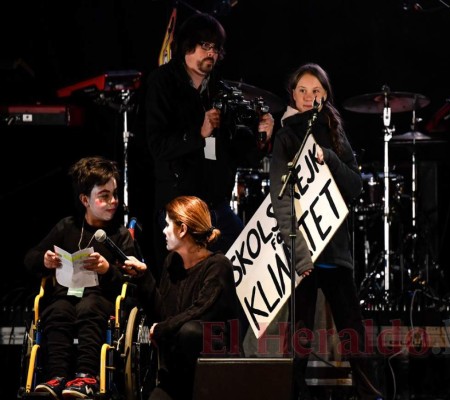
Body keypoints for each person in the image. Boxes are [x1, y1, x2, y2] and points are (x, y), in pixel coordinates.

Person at [269, 63, 384, 400]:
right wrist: (299, 254)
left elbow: (355, 186)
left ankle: (369, 392)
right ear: (292, 94)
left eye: (315, 90)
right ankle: (295, 393)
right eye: (302, 90)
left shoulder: (334, 130)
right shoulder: (286, 136)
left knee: (353, 331)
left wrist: (331, 158)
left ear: (325, 94)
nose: (308, 97)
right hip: (306, 251)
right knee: (300, 334)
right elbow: (281, 200)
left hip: (336, 249)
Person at [143, 12, 275, 278]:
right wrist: (198, 133)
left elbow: (237, 152)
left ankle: (233, 321)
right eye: (205, 46)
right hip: (178, 205)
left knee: (247, 262)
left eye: (216, 48)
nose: (212, 54)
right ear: (188, 45)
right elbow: (157, 146)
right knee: (182, 280)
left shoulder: (220, 90)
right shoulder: (162, 82)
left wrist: (263, 139)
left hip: (215, 203)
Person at [23, 156, 137, 399]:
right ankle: (56, 377)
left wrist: (108, 270)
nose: (113, 202)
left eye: (115, 194)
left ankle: (86, 376)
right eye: (104, 196)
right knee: (57, 310)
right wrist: (44, 260)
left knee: (89, 306)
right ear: (85, 200)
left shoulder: (119, 235)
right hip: (65, 296)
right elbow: (30, 257)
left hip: (101, 300)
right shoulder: (67, 226)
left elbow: (133, 282)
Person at [123, 195, 242, 400]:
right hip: (178, 376)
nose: (164, 230)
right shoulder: (173, 262)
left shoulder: (218, 266)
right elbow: (164, 315)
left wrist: (163, 329)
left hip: (214, 374)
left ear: (183, 229)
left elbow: (200, 312)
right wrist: (144, 277)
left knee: (191, 331)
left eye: (168, 224)